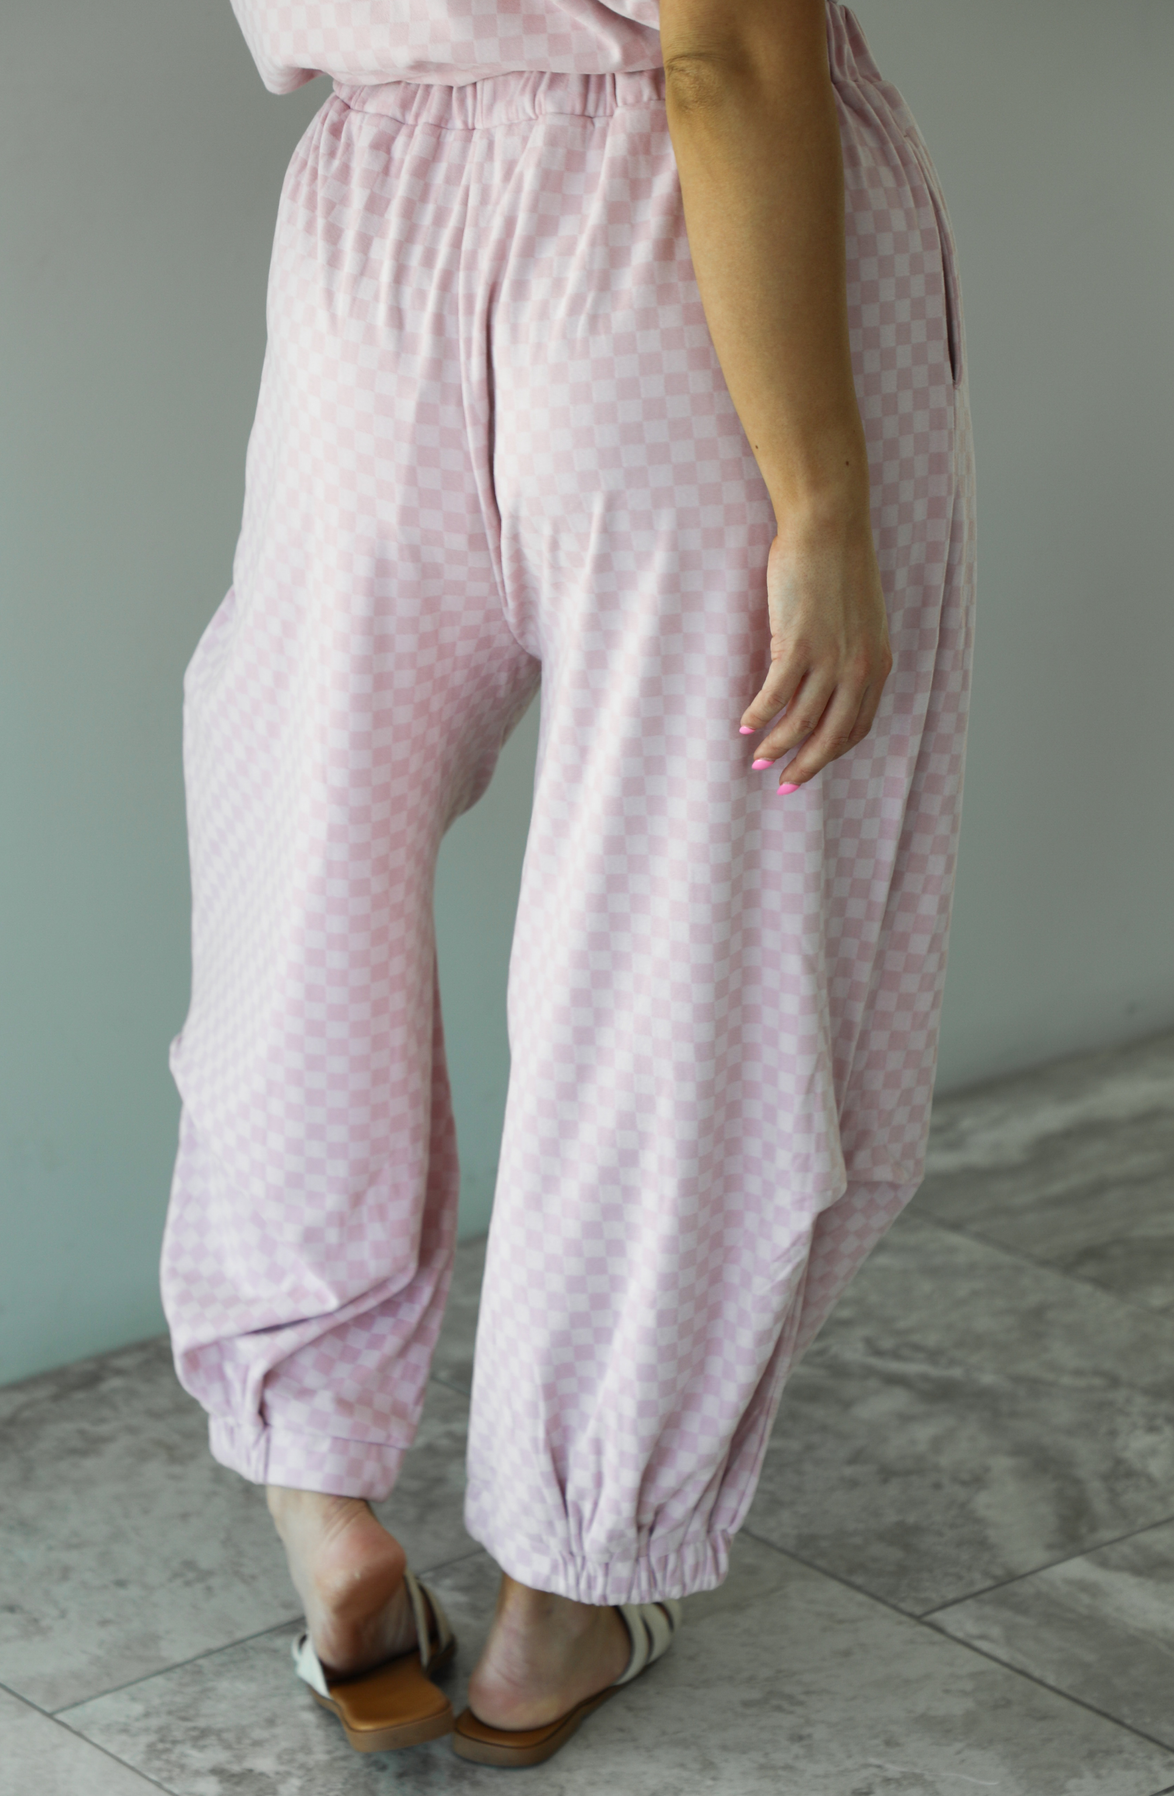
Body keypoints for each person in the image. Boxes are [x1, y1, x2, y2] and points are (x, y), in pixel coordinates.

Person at [160, 0, 973, 1767]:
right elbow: (733, 48)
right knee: (691, 931)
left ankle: (320, 1495)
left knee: (308, 860)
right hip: (679, 248)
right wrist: (821, 497)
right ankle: (565, 1590)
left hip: (376, 229)